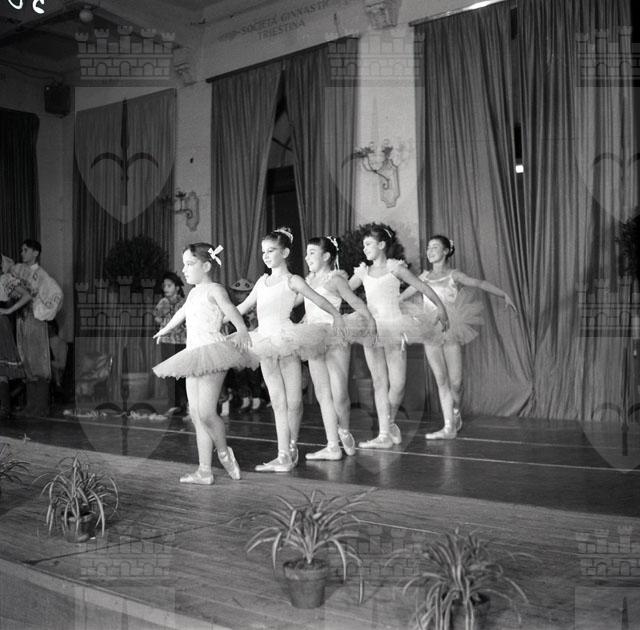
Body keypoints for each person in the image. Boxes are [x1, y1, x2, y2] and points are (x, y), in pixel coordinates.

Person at [234, 227, 346, 473]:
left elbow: (318, 299)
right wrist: (220, 319)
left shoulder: (293, 280)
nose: (266, 255)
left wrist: (337, 316)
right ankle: (282, 454)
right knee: (277, 401)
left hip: (286, 340)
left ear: (284, 253)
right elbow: (243, 306)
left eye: (271, 250)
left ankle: (291, 448)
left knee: (293, 402)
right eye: (263, 251)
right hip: (264, 342)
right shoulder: (262, 282)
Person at [152, 243, 253, 485]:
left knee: (207, 412)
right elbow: (181, 314)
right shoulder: (193, 293)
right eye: (184, 264)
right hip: (193, 354)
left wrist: (241, 329)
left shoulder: (215, 289)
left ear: (206, 266)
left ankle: (224, 453)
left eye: (190, 264)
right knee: (196, 414)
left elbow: (230, 308)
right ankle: (204, 470)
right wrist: (164, 330)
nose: (184, 269)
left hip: (212, 352)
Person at [401, 235, 516, 439]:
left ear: (446, 251)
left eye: (435, 247)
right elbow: (402, 296)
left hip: (450, 329)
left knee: (456, 382)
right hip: (430, 329)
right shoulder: (424, 277)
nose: (430, 251)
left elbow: (478, 283)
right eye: (428, 248)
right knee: (441, 379)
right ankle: (448, 427)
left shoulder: (453, 275)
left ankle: (455, 412)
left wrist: (503, 294)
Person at [348, 223, 449, 449]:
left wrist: (441, 307)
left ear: (382, 245)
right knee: (379, 382)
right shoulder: (363, 272)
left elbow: (422, 287)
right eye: (363, 245)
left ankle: (390, 422)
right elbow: (343, 291)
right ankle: (384, 433)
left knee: (398, 384)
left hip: (394, 326)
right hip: (372, 328)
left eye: (368, 244)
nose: (364, 248)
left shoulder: (395, 268)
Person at [300, 236, 377, 460]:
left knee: (339, 393)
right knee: (322, 393)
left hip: (335, 335)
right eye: (307, 253)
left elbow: (354, 301)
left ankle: (344, 429)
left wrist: (370, 320)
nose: (307, 257)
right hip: (313, 336)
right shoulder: (307, 281)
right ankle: (332, 445)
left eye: (312, 253)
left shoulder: (335, 279)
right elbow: (307, 306)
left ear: (326, 256)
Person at [9, 239, 63, 416]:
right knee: (27, 361)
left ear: (35, 253)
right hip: (22, 320)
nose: (22, 253)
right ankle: (31, 405)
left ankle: (41, 406)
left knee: (38, 361)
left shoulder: (42, 275)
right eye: (21, 250)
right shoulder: (19, 271)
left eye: (25, 250)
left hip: (35, 321)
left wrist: (41, 311)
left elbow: (56, 294)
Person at [219, 278, 265, 416]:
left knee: (253, 373)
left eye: (243, 293)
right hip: (237, 343)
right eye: (237, 292)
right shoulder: (233, 308)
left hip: (252, 342)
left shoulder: (256, 308)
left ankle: (256, 399)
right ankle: (245, 399)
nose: (239, 295)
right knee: (240, 374)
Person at [153, 272, 187, 415]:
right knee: (170, 373)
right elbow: (156, 318)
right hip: (167, 341)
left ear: (177, 288)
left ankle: (187, 402)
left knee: (183, 373)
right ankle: (174, 403)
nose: (166, 288)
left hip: (182, 342)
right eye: (164, 286)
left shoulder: (184, 302)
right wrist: (164, 321)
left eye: (169, 285)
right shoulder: (163, 302)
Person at [0, 258, 30, 420]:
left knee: (2, 368)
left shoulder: (5, 279)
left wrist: (9, 310)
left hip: (0, 323)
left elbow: (26, 295)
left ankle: (5, 408)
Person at [48, 319, 68, 401]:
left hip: (56, 372)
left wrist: (48, 363)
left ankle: (58, 386)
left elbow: (62, 365)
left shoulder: (61, 343)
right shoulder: (42, 342)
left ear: (52, 328)